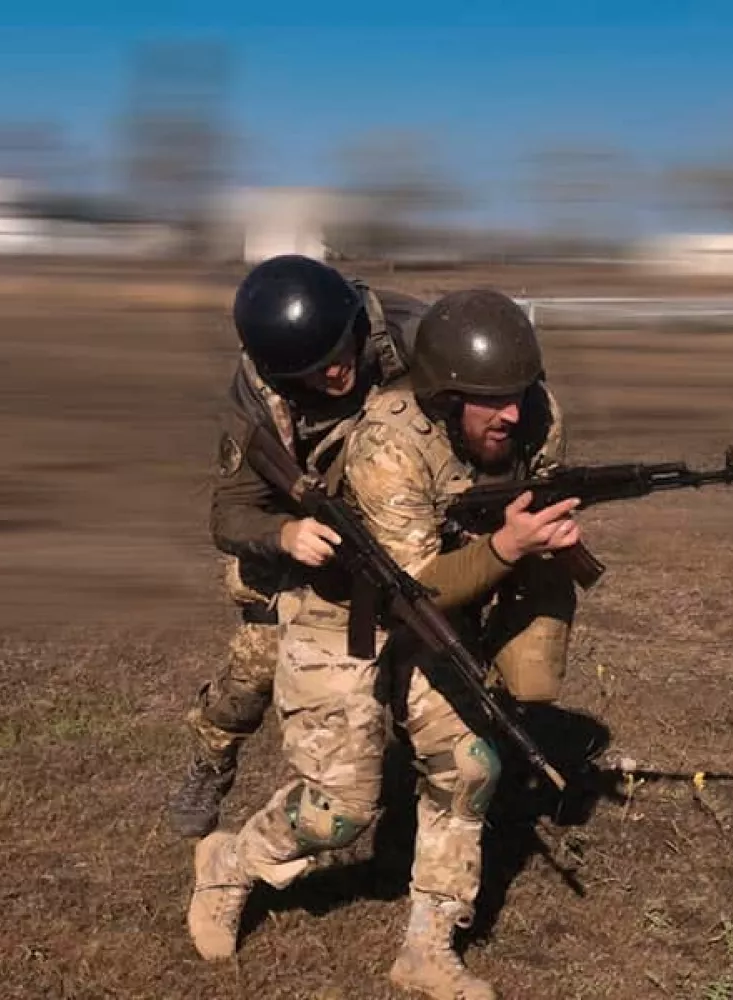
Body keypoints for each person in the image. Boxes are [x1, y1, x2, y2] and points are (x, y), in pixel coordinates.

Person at [187, 289, 581, 1000]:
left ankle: (427, 948)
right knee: (340, 809)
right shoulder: (382, 439)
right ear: (447, 394)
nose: (516, 413)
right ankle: (231, 863)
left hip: (428, 587)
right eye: (493, 400)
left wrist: (534, 540)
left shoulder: (495, 393)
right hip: (338, 604)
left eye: (520, 394)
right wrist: (282, 536)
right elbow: (420, 583)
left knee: (469, 766)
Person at [166, 253, 429, 839]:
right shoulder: (255, 394)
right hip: (304, 544)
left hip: (401, 523)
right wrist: (284, 535)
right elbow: (229, 513)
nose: (336, 375)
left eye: (340, 355)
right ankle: (210, 762)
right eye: (314, 371)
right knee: (254, 670)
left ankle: (430, 773)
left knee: (429, 646)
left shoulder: (412, 334)